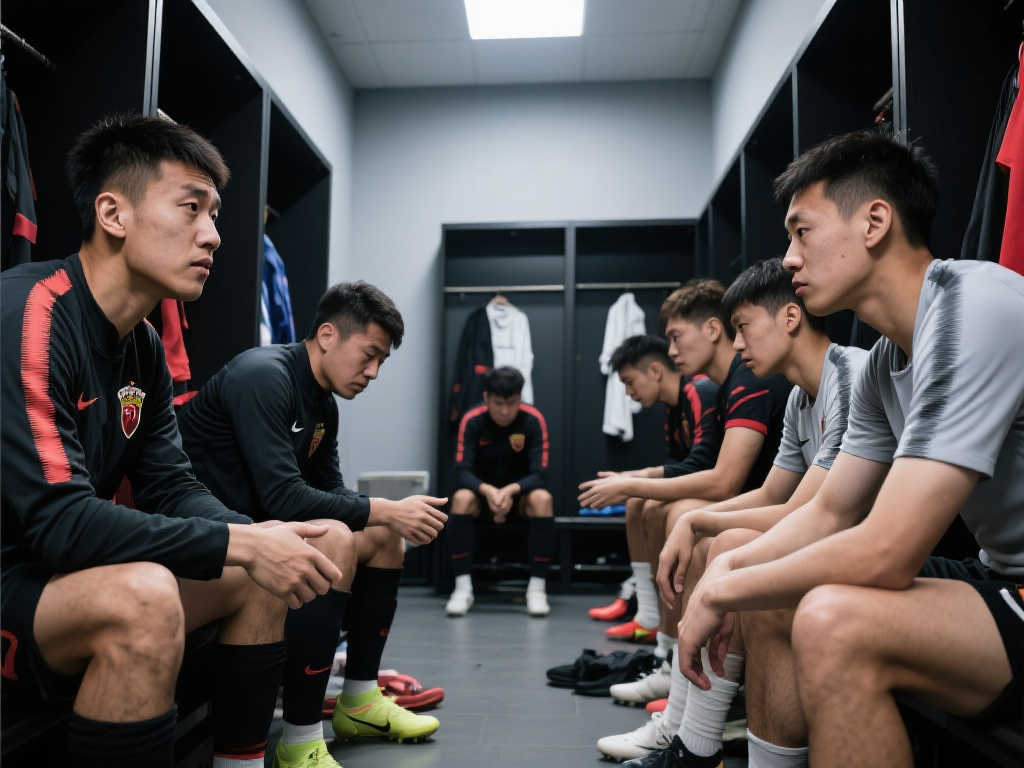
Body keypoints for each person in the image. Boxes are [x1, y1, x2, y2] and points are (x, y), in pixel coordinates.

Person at [0, 114, 346, 768]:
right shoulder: (30, 315)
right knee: (148, 598)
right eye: (191, 208)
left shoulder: (143, 345)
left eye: (214, 215)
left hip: (53, 577)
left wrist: (256, 538)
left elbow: (170, 484)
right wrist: (243, 541)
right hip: (15, 575)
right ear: (114, 214)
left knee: (260, 567)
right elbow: (58, 521)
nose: (213, 235)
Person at [677, 131, 1024, 768]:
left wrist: (720, 589)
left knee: (832, 620)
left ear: (874, 222)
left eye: (801, 232)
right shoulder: (883, 362)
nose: (788, 259)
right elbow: (828, 513)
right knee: (780, 589)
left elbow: (887, 552)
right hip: (999, 575)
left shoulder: (972, 307)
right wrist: (727, 572)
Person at [609, 258, 867, 766]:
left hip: (864, 545)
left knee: (726, 544)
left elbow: (809, 510)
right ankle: (689, 738)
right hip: (833, 537)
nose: (739, 344)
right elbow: (772, 495)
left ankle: (694, 739)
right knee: (713, 536)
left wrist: (700, 525)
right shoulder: (799, 400)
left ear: (789, 318)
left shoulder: (851, 375)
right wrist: (694, 522)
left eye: (744, 328)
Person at [178, 281, 448, 765]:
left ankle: (359, 700)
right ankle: (302, 740)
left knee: (381, 534)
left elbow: (331, 491)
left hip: (267, 529)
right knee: (341, 536)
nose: (373, 372)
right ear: (327, 335)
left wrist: (385, 514)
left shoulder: (324, 403)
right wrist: (388, 507)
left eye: (382, 362)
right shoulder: (264, 376)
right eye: (368, 355)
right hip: (216, 538)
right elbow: (284, 496)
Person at [579, 281, 791, 662]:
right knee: (665, 509)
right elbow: (701, 467)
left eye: (676, 338)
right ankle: (663, 645)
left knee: (680, 513)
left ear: (712, 329)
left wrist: (634, 484)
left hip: (771, 510)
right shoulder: (725, 386)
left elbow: (722, 479)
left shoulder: (729, 384)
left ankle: (675, 659)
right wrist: (636, 483)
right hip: (762, 501)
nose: (672, 350)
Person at [587, 335, 721, 677]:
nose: (629, 392)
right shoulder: (674, 406)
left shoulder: (699, 391)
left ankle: (669, 645)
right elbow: (679, 463)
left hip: (727, 490)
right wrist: (634, 481)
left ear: (656, 371)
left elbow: (703, 464)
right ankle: (648, 617)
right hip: (705, 484)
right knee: (638, 503)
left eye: (630, 382)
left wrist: (634, 479)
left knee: (665, 509)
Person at [446, 365, 554, 617]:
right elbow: (461, 471)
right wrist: (488, 491)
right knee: (461, 498)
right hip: (482, 498)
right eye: (498, 403)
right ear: (486, 398)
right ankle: (462, 589)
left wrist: (510, 491)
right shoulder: (472, 420)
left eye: (511, 403)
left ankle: (537, 590)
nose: (505, 411)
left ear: (520, 398)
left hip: (519, 499)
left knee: (543, 499)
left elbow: (541, 473)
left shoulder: (533, 420)